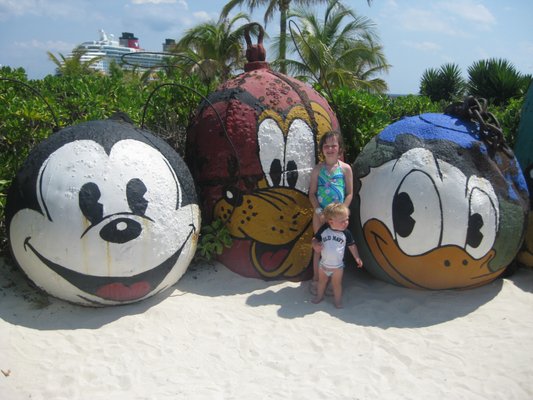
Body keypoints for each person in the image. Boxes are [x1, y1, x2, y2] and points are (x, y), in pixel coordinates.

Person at [308, 131, 353, 294]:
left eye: (334, 145)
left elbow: (349, 193)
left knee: (336, 248)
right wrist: (319, 211)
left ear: (339, 148)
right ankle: (316, 279)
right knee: (319, 247)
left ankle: (333, 281)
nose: (330, 149)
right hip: (320, 215)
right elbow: (312, 193)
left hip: (338, 218)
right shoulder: (318, 170)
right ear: (322, 149)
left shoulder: (346, 169)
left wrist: (342, 213)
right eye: (326, 146)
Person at [311, 203, 363, 308]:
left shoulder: (346, 233)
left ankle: (338, 302)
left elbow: (352, 245)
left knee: (336, 285)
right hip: (323, 265)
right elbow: (314, 239)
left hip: (337, 267)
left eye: (347, 219)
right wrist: (315, 245)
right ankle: (319, 297)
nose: (346, 223)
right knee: (321, 282)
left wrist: (357, 257)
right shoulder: (324, 230)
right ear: (331, 222)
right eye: (342, 221)